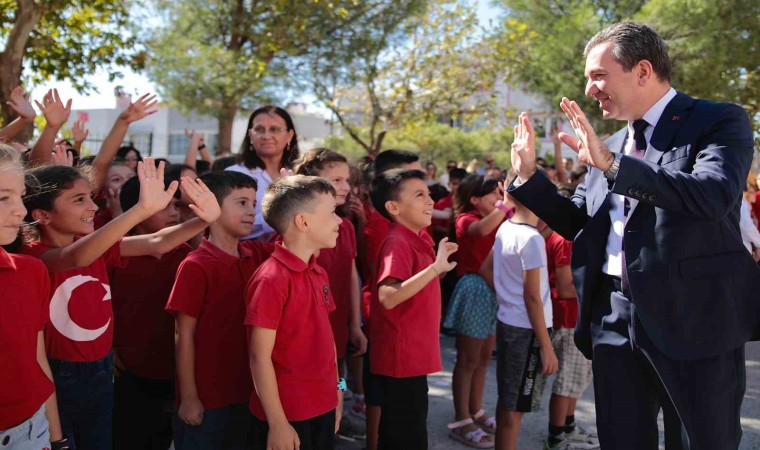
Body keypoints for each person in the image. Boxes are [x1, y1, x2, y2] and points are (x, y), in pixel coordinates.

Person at [508, 22, 760, 449]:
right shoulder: (611, 143)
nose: (590, 89)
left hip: (694, 316)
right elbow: (583, 223)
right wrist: (530, 178)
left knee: (705, 440)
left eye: (599, 75)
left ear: (642, 70)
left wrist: (611, 165)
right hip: (613, 315)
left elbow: (712, 196)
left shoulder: (718, 121)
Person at [21, 159, 219, 450]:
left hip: (101, 372)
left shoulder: (98, 247)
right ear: (42, 215)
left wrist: (204, 219)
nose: (93, 206)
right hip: (60, 375)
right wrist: (141, 210)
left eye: (90, 197)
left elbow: (158, 242)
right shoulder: (34, 258)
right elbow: (76, 258)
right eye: (79, 199)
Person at [165, 171, 273, 450]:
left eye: (254, 202)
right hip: (209, 399)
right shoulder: (196, 265)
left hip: (249, 393)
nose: (251, 211)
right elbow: (183, 335)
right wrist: (189, 397)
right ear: (211, 206)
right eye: (241, 203)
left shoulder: (257, 255)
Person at [246, 175, 344, 450]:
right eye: (333, 213)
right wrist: (277, 424)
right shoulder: (271, 279)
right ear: (303, 221)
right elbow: (258, 356)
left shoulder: (318, 270)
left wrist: (339, 391)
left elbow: (328, 340)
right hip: (288, 416)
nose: (340, 221)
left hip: (323, 407)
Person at [369, 169, 458, 449]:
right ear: (394, 207)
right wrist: (435, 269)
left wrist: (436, 268)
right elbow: (388, 295)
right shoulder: (398, 242)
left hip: (411, 358)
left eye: (429, 194)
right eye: (420, 195)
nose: (430, 201)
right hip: (401, 361)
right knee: (407, 436)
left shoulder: (414, 236)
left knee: (405, 431)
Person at [109, 175, 192, 450]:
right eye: (163, 206)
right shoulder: (112, 253)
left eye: (176, 205)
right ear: (137, 209)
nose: (173, 212)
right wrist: (108, 349)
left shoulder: (187, 256)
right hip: (126, 374)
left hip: (176, 376)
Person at [0, 145, 67, 450]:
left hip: (32, 432)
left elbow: (38, 360)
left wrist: (56, 439)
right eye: (3, 198)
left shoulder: (30, 272)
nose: (21, 210)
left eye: (20, 195)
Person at [360, 150, 423, 450]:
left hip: (407, 339)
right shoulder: (388, 232)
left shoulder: (410, 228)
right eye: (415, 180)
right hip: (386, 332)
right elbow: (386, 289)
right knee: (376, 397)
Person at [443, 175, 511, 448]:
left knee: (484, 358)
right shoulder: (466, 219)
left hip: (494, 289)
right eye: (494, 194)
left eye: (501, 193)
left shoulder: (500, 215)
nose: (499, 198)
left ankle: (475, 409)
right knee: (468, 360)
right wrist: (506, 205)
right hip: (474, 288)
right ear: (474, 200)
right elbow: (482, 230)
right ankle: (461, 419)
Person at [491, 187, 557, 450]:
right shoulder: (532, 240)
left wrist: (507, 297)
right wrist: (547, 348)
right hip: (527, 330)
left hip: (509, 321)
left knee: (507, 400)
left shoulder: (506, 228)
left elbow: (488, 270)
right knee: (514, 408)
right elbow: (532, 297)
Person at [294, 149, 368, 373]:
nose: (345, 187)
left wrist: (355, 325)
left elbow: (351, 275)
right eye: (336, 180)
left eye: (347, 180)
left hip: (338, 330)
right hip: (306, 337)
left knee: (338, 378)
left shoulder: (345, 226)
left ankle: (339, 406)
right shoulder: (296, 228)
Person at [539, 222, 598, 450]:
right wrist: (598, 287)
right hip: (567, 318)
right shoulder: (565, 238)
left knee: (578, 378)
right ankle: (556, 437)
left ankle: (568, 426)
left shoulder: (567, 235)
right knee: (567, 381)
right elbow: (565, 287)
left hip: (575, 317)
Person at [226, 106, 299, 240]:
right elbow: (229, 226)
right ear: (250, 135)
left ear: (289, 135)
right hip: (249, 257)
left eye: (275, 129)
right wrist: (279, 214)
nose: (266, 136)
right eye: (259, 129)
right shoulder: (233, 175)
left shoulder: (300, 174)